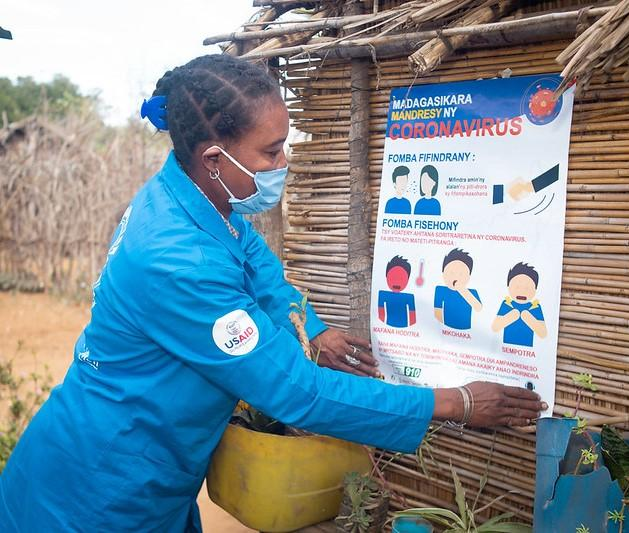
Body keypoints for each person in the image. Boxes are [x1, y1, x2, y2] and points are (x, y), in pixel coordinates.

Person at [0, 55, 546, 532]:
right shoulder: (176, 259)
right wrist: (456, 402)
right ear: (215, 158)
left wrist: (314, 328)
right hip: (97, 488)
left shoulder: (198, 201)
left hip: (151, 468)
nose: (284, 161)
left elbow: (261, 272)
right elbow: (297, 393)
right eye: (271, 150)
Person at [492, 262, 548, 347]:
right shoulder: (507, 304)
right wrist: (510, 316)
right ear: (509, 288)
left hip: (527, 349)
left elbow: (543, 334)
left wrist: (529, 318)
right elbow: (495, 327)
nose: (522, 291)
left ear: (535, 290)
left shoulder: (535, 307)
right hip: (506, 346)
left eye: (527, 288)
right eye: (517, 287)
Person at [434, 248, 482, 330]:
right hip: (445, 328)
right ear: (443, 273)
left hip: (466, 331)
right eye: (451, 273)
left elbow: (478, 308)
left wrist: (462, 289)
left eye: (461, 274)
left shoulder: (472, 293)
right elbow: (437, 311)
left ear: (469, 276)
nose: (455, 277)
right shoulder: (440, 290)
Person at [378, 255, 416, 328]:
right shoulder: (383, 295)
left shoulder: (409, 297)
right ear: (386, 277)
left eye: (401, 278)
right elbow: (380, 314)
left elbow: (412, 319)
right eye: (393, 277)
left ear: (407, 280)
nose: (397, 282)